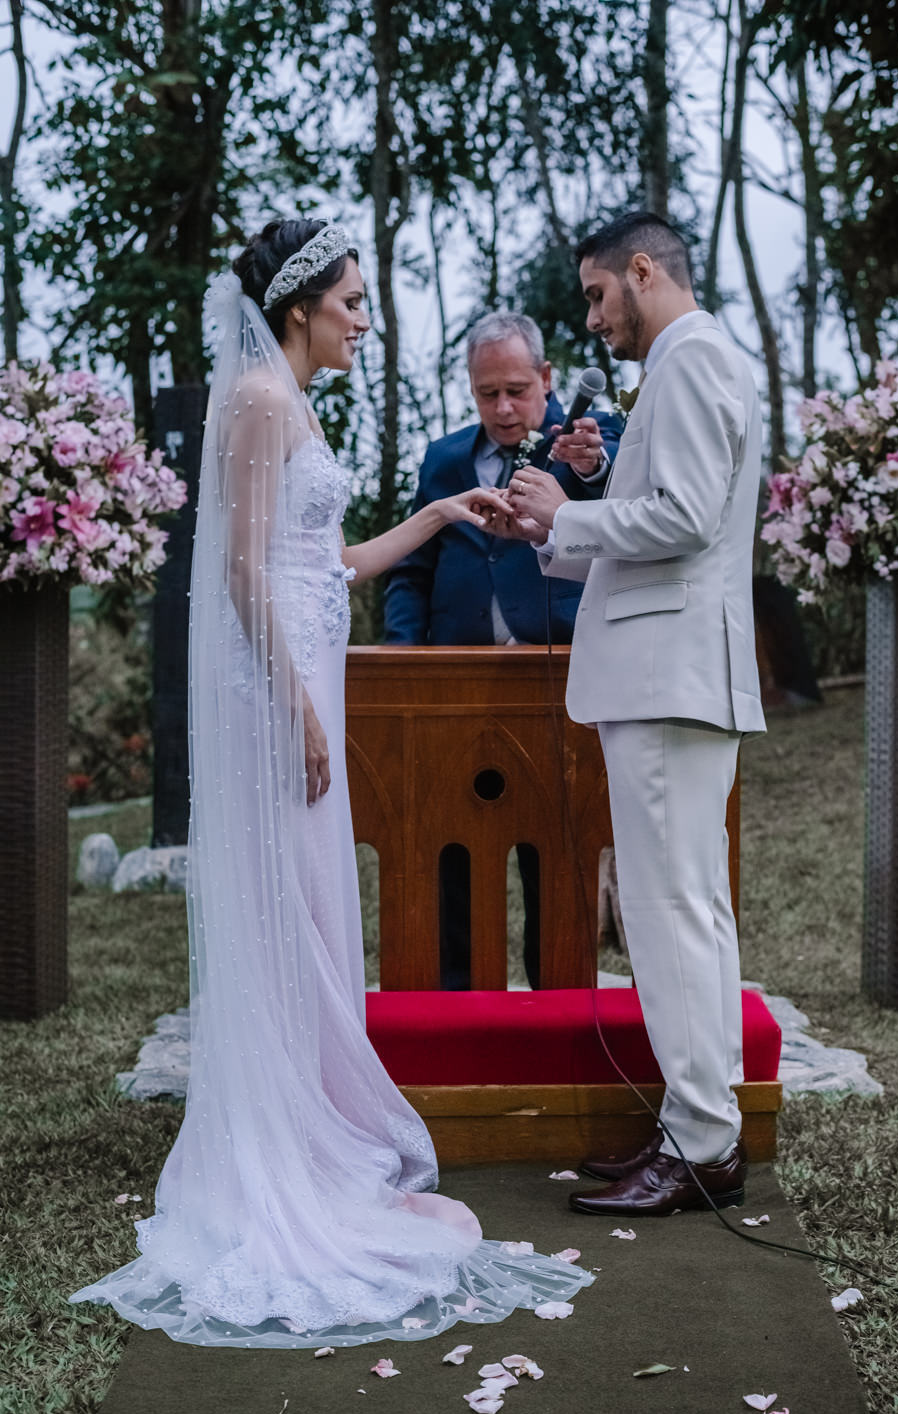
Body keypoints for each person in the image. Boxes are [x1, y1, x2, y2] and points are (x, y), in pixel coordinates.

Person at [70, 220, 593, 1346]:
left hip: (305, 677)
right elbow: (242, 567)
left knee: (313, 906)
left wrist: (443, 516)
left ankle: (313, 1133)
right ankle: (288, 1156)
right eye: (352, 300)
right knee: (290, 913)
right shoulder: (260, 399)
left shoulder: (292, 400)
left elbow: (333, 562)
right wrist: (304, 707)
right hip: (279, 698)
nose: (365, 318)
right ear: (303, 303)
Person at [492, 213, 766, 1217]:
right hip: (677, 670)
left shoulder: (690, 359)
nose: (594, 315)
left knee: (669, 912)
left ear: (643, 269)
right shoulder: (695, 362)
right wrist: (558, 518)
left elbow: (687, 518)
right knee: (691, 907)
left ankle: (700, 1142)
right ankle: (701, 1124)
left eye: (600, 293)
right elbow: (665, 523)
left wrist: (566, 513)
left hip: (668, 676)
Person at [384, 312, 621, 989]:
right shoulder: (441, 459)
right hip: (451, 684)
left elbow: (608, 492)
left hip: (558, 677)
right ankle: (458, 996)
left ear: (547, 379)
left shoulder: (586, 441)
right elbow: (412, 571)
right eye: (488, 393)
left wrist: (591, 465)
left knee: (552, 847)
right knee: (451, 846)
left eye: (517, 389)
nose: (504, 408)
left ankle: (556, 996)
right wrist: (407, 658)